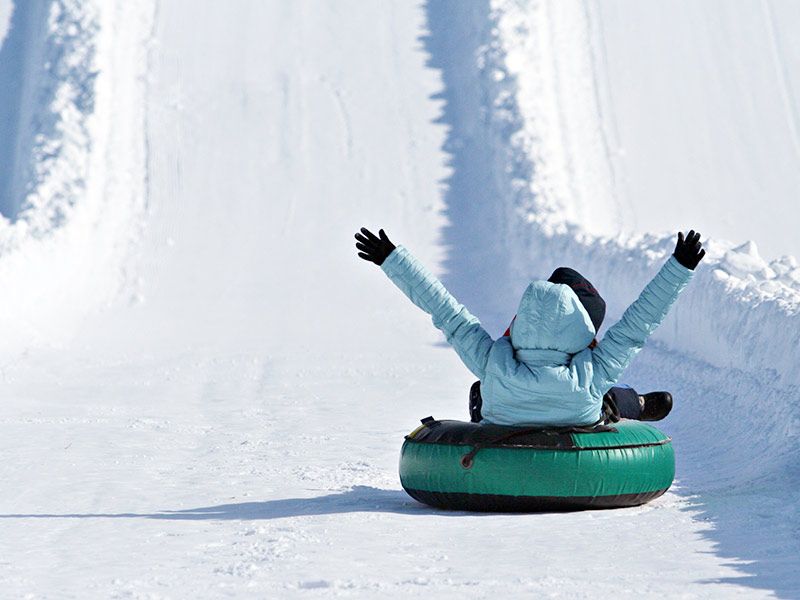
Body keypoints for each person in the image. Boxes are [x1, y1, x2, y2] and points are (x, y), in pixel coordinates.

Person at [354, 227, 705, 427]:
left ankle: (492, 432)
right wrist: (680, 268)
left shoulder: (495, 361)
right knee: (607, 397)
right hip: (577, 418)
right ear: (580, 328)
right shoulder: (591, 372)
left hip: (505, 420)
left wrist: (393, 259)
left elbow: (447, 313)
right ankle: (637, 404)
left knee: (482, 387)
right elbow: (637, 324)